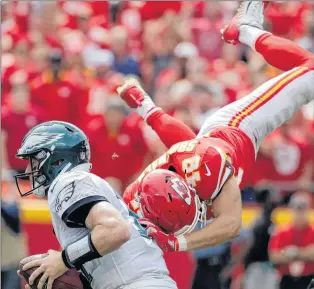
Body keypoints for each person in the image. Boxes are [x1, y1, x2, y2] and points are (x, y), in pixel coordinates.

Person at [116, 1, 314, 252]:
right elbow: (189, 145)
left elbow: (231, 224)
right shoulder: (138, 201)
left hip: (239, 126)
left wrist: (177, 243)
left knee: (312, 72)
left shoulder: (201, 164)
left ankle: (246, 29)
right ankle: (247, 30)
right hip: (220, 147)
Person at [14, 121, 177, 289]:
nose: (27, 171)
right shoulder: (81, 183)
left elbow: (116, 230)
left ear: (56, 160)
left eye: (32, 160)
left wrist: (62, 260)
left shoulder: (67, 181)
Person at [268, 192, 314, 289]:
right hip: (286, 279)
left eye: (303, 210)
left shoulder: (312, 231)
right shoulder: (282, 231)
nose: (300, 214)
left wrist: (292, 252)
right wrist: (305, 253)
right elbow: (274, 256)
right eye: (297, 210)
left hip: (309, 278)